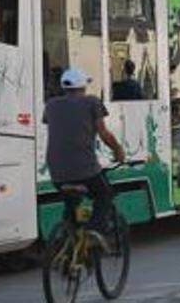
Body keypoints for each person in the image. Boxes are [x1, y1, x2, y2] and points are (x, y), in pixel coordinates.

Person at [43, 67, 125, 237]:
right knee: (104, 195)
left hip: (57, 172)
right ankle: (94, 231)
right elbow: (104, 133)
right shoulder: (92, 102)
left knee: (71, 203)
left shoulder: (50, 105)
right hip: (84, 168)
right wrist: (118, 150)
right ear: (83, 86)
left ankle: (67, 240)